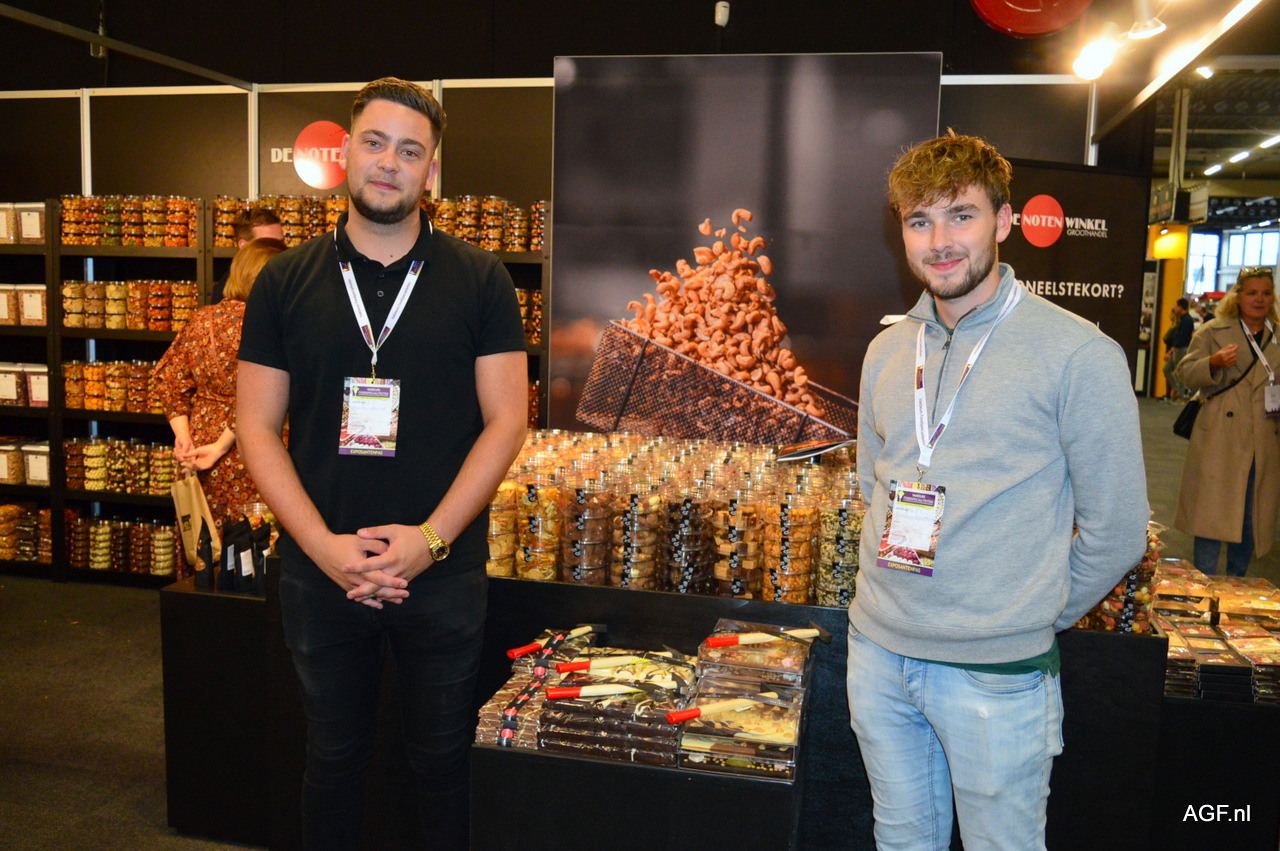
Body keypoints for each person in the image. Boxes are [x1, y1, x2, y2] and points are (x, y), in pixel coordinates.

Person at [236, 77, 527, 849]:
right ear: (347, 152)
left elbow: (507, 421)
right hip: (320, 570)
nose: (390, 163)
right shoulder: (284, 281)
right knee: (332, 759)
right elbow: (255, 426)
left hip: (443, 568)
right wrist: (323, 549)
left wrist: (429, 540)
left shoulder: (481, 279)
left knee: (442, 760)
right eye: (375, 143)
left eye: (409, 150)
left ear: (431, 168)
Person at [847, 131, 1148, 850]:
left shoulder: (1079, 354)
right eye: (919, 221)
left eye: (961, 215)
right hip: (880, 654)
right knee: (901, 840)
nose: (939, 241)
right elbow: (871, 483)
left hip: (996, 674)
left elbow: (1117, 531)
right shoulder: (887, 350)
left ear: (1005, 221)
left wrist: (1027, 614)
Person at [152, 237, 287, 525]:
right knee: (254, 535)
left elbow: (168, 379)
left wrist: (183, 437)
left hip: (198, 445)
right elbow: (261, 398)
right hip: (253, 448)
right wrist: (222, 446)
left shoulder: (201, 318)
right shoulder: (272, 325)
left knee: (204, 536)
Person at [1174, 266, 1280, 576]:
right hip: (1219, 437)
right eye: (1252, 293)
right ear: (1238, 296)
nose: (1259, 299)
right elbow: (1184, 373)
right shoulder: (1213, 331)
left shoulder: (1277, 336)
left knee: (1251, 517)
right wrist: (1213, 363)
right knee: (1212, 513)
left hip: (1263, 438)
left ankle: (1237, 584)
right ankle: (1201, 581)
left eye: (1266, 293)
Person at [210, 206, 284, 304]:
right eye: (267, 244)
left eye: (281, 242)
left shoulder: (287, 277)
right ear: (244, 246)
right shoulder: (228, 289)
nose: (279, 249)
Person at [1162, 298, 1195, 401]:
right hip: (1177, 349)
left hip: (1180, 349)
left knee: (1179, 372)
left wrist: (1171, 351)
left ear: (1180, 307)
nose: (1175, 308)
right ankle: (1177, 390)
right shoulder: (1182, 319)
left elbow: (1181, 338)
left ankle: (1180, 395)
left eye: (1176, 306)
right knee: (1167, 369)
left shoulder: (1187, 320)